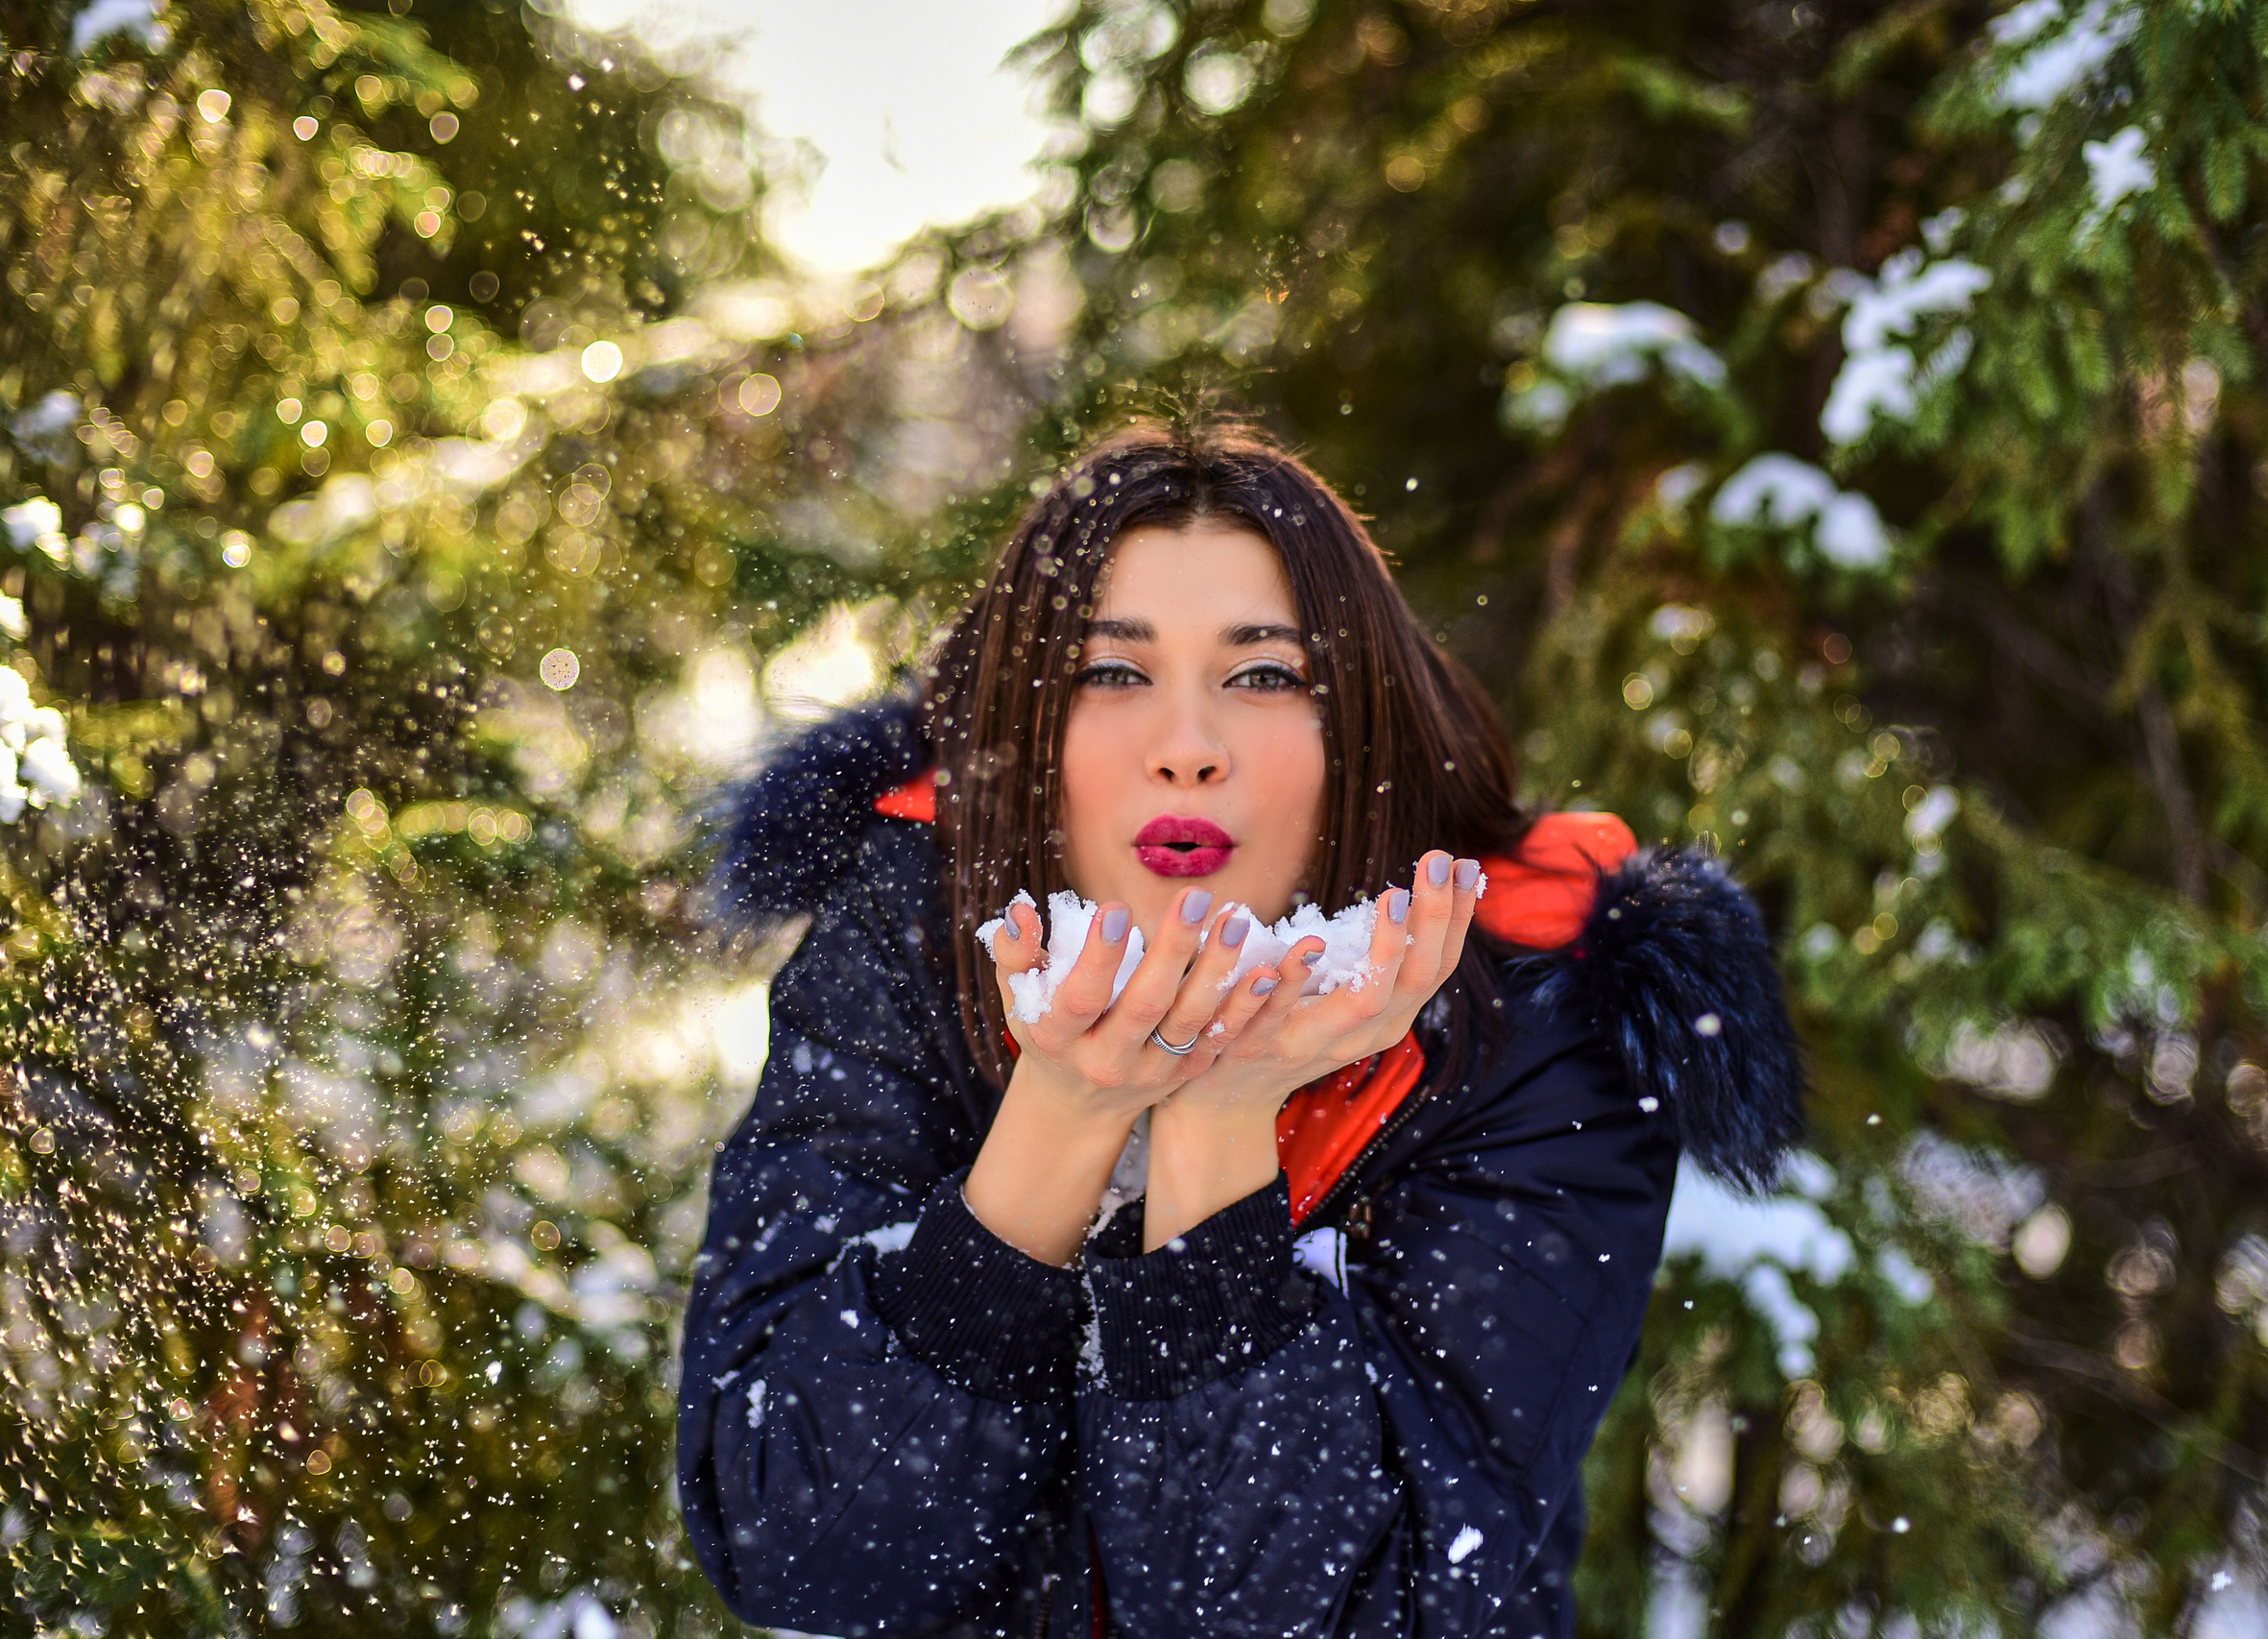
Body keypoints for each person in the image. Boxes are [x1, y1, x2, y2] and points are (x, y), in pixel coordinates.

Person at [676, 423, 1803, 1638]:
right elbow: (798, 1546)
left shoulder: (1541, 1011)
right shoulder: (905, 931)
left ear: (1359, 726)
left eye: (1265, 675)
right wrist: (1061, 1117)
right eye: (1112, 674)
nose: (1187, 750)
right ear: (1025, 727)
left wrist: (1218, 1129)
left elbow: (1355, 1612)